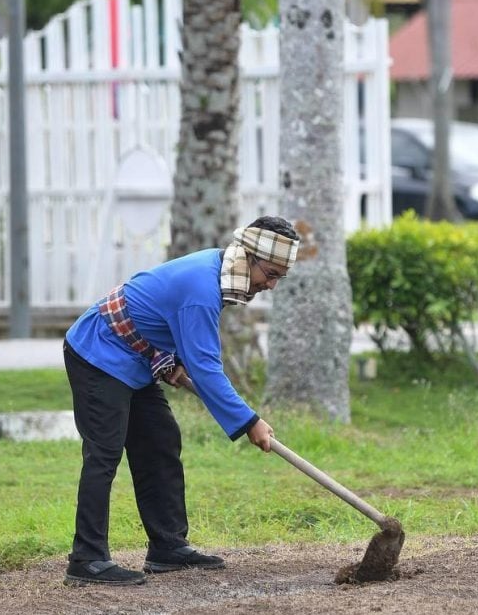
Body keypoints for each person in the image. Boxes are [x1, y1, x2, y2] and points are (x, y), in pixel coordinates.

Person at [61, 216, 300, 586]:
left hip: (134, 355)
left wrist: (171, 357)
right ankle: (87, 559)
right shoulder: (202, 288)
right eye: (269, 274)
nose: (270, 285)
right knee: (104, 453)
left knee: (160, 440)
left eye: (278, 278)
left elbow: (164, 318)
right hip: (99, 352)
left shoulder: (219, 271)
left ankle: (167, 547)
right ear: (248, 256)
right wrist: (249, 421)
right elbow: (206, 369)